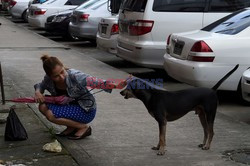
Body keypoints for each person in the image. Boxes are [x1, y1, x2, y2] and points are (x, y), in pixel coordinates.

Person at [34, 55, 127, 140]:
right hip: (69, 106)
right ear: (50, 76)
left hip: (85, 109)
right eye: (56, 76)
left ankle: (83, 127)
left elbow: (95, 81)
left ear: (63, 67)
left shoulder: (75, 76)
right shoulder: (48, 78)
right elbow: (41, 85)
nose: (61, 77)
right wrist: (38, 92)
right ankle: (71, 127)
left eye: (62, 72)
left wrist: (116, 85)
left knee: (50, 115)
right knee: (42, 106)